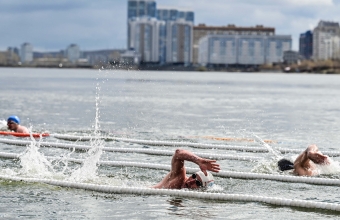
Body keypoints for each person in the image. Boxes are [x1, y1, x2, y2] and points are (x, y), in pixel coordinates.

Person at [152, 149, 220, 189]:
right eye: (194, 176)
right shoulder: (179, 178)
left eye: (197, 183)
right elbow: (178, 153)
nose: (191, 181)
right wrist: (198, 160)